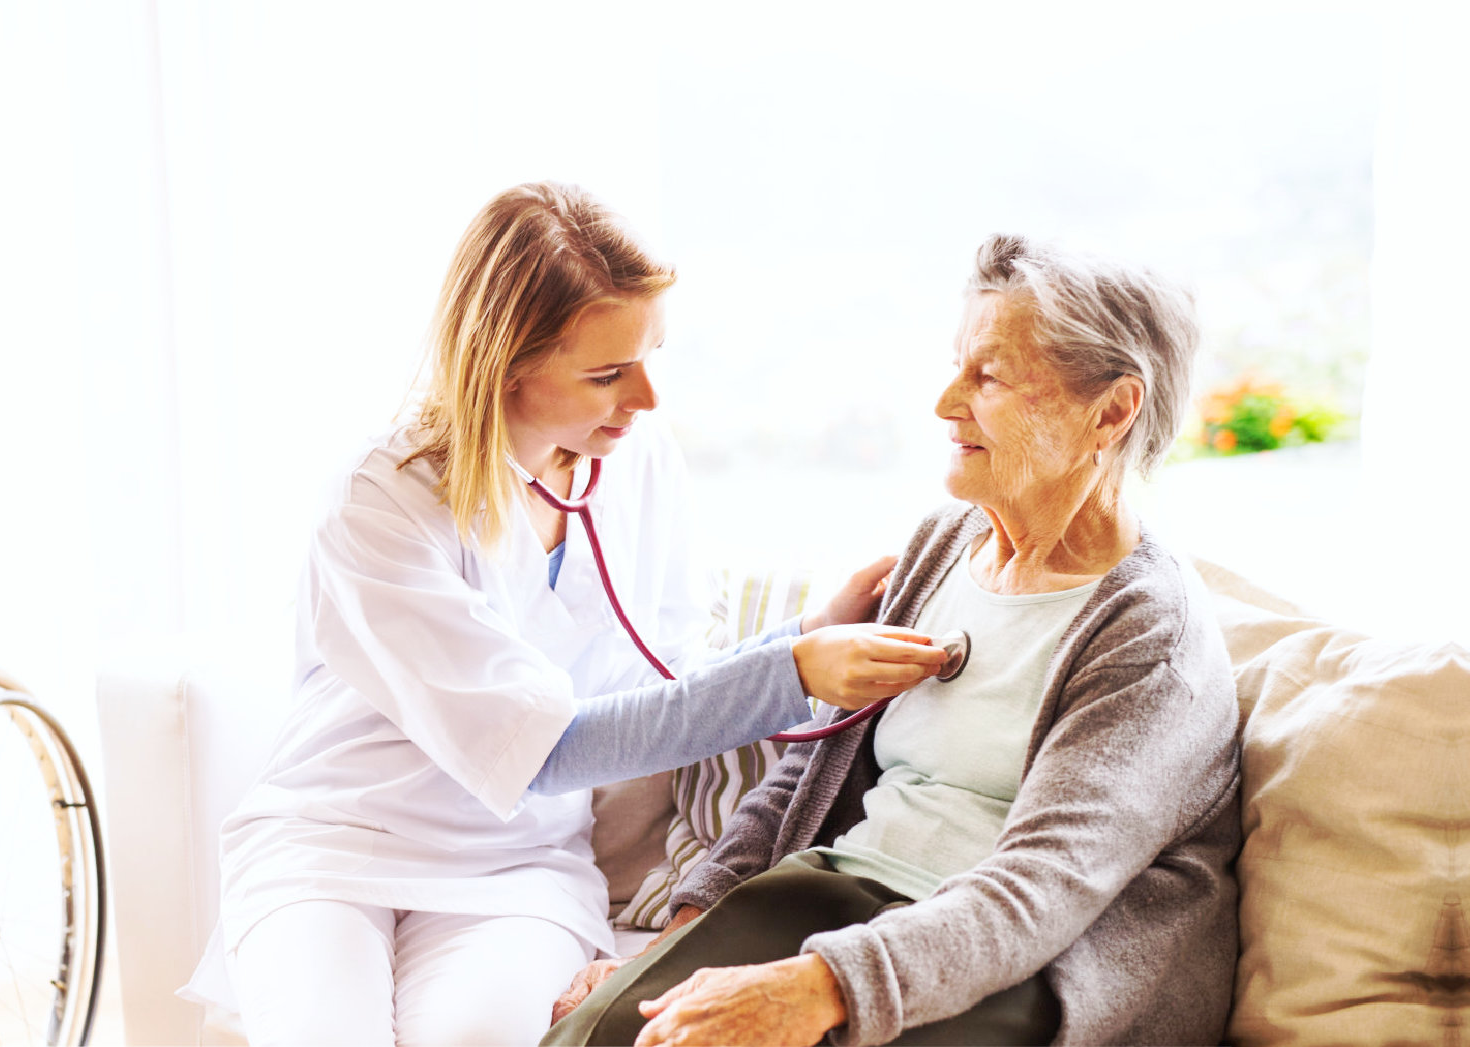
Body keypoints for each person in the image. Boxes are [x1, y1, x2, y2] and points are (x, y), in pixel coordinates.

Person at [181, 181, 953, 1046]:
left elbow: (664, 675)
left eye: (652, 354)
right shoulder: (382, 499)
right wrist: (792, 672)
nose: (648, 398)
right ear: (505, 366)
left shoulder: (639, 458)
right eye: (607, 373)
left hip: (515, 861)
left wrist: (802, 636)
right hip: (335, 843)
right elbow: (551, 748)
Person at [548, 234, 1241, 1046]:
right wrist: (683, 934)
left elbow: (1044, 887)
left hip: (1028, 963)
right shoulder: (942, 547)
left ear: (1113, 411)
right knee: (597, 1036)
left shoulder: (1150, 636)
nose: (947, 402)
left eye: (988, 376)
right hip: (837, 900)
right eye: (958, 364)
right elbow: (809, 771)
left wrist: (818, 988)